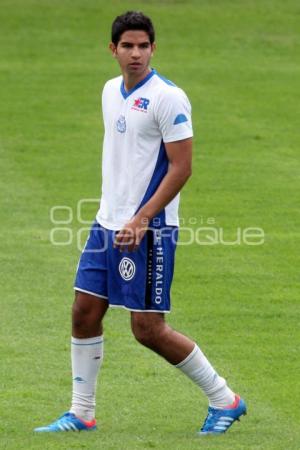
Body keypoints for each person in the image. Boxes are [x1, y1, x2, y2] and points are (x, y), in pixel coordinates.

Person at [35, 11, 246, 435]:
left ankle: (225, 399)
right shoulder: (110, 91)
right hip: (105, 225)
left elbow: (181, 167)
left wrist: (143, 218)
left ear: (153, 48)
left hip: (150, 230)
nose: (135, 54)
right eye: (127, 46)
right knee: (84, 311)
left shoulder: (169, 98)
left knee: (147, 329)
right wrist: (114, 216)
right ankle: (81, 412)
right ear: (112, 49)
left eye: (143, 46)